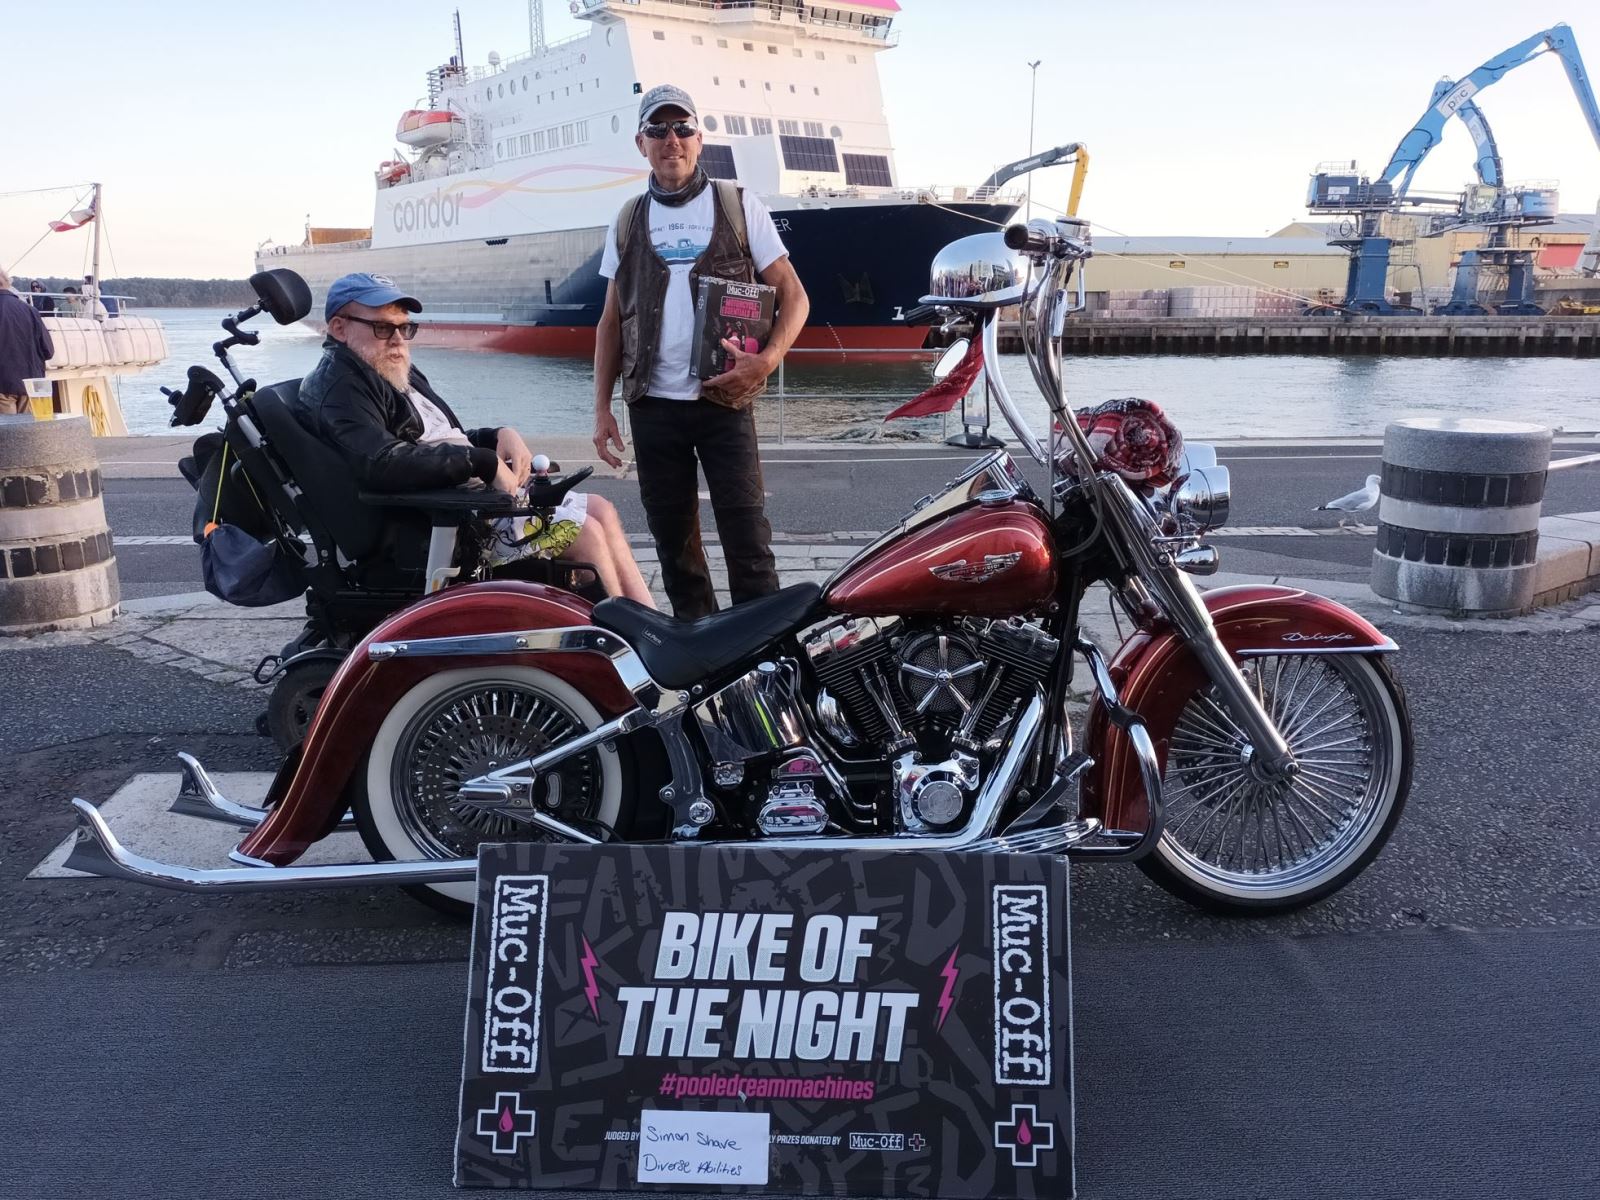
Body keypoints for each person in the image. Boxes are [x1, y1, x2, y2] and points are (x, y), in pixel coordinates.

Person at [295, 273, 654, 606]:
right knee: (585, 533)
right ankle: (627, 644)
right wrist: (483, 462)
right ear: (339, 328)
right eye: (382, 328)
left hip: (464, 501)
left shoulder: (383, 367)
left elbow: (433, 436)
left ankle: (652, 628)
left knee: (601, 509)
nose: (399, 340)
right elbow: (382, 462)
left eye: (406, 328)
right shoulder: (342, 388)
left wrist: (497, 436)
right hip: (440, 524)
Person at [593, 83, 810, 621]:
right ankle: (702, 662)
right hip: (652, 408)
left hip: (725, 405)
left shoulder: (738, 205)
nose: (673, 140)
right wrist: (601, 410)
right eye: (659, 130)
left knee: (749, 541)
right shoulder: (626, 219)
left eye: (683, 128)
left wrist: (769, 358)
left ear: (700, 139)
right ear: (641, 142)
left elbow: (795, 296)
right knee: (675, 550)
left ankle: (763, 660)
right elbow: (609, 323)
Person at [0, 268, 54, 416]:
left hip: (3, 385)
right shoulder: (30, 310)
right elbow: (48, 351)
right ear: (7, 283)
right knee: (27, 432)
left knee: (7, 435)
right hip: (30, 383)